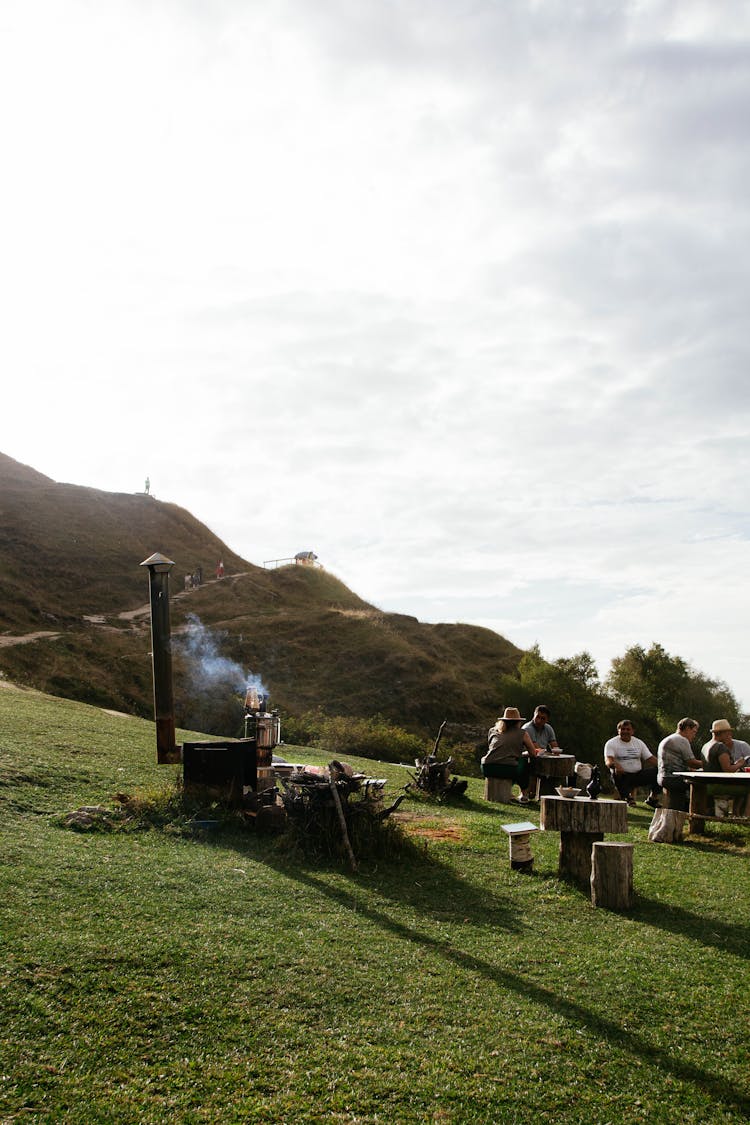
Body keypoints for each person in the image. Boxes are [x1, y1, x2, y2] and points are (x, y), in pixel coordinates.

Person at [481, 707, 540, 804]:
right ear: (518, 721)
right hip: (507, 769)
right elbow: (533, 753)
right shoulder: (522, 733)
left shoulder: (492, 730)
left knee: (515, 762)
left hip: (487, 767)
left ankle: (511, 793)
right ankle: (524, 794)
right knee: (524, 762)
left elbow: (493, 749)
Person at [604, 719, 661, 808]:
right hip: (622, 775)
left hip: (637, 775)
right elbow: (608, 760)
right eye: (622, 729)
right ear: (618, 731)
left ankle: (652, 799)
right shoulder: (611, 743)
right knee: (614, 772)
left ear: (633, 731)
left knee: (660, 772)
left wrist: (663, 767)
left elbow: (650, 758)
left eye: (628, 729)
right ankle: (628, 798)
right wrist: (616, 765)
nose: (625, 731)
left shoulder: (638, 743)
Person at [701, 719, 750, 817]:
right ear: (721, 733)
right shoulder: (720, 747)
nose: (729, 734)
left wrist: (735, 765)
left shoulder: (705, 746)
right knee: (748, 787)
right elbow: (728, 770)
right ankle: (747, 816)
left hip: (709, 784)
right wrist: (740, 764)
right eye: (728, 732)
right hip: (720, 785)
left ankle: (737, 814)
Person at [657, 718, 703, 811]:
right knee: (701, 785)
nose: (694, 736)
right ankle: (701, 812)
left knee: (676, 804)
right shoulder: (681, 740)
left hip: (664, 777)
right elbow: (691, 762)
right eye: (694, 732)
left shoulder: (670, 738)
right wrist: (708, 764)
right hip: (674, 778)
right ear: (687, 728)